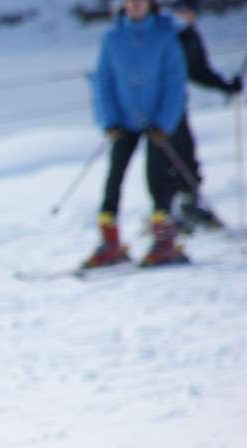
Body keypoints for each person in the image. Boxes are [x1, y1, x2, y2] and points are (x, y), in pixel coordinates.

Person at [87, 0, 188, 268]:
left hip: (156, 123)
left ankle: (165, 241)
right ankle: (110, 242)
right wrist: (109, 120)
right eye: (129, 1)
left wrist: (164, 123)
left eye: (139, 1)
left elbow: (175, 84)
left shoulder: (165, 38)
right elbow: (102, 81)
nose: (134, 5)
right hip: (123, 121)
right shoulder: (112, 39)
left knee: (157, 179)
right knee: (113, 179)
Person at [167, 0, 243, 230]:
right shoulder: (161, 35)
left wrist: (226, 86)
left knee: (186, 154)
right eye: (180, 10)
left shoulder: (190, 37)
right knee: (165, 157)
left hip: (176, 105)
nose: (185, 16)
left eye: (189, 12)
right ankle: (165, 211)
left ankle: (187, 203)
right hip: (156, 107)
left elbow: (199, 71)